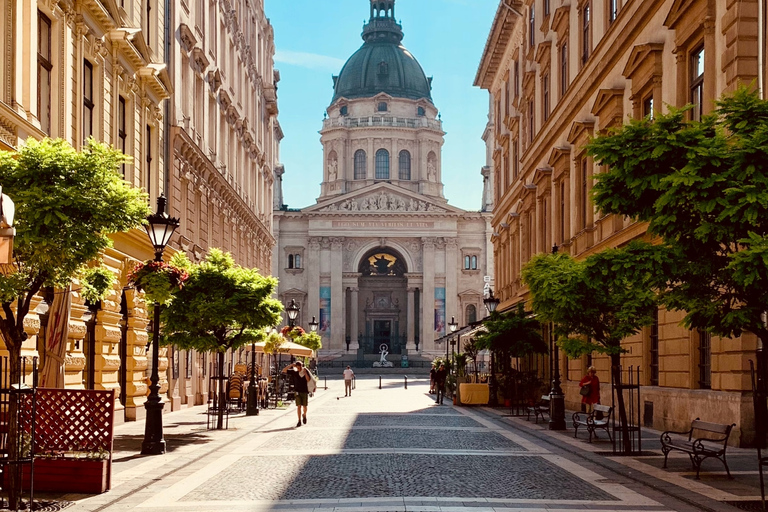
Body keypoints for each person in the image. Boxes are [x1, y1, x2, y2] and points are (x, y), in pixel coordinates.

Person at [283, 361, 311, 427]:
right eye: (298, 368)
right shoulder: (294, 372)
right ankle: (299, 420)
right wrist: (291, 365)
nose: (299, 369)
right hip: (297, 391)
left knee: (305, 406)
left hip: (304, 391)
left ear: (302, 366)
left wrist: (305, 373)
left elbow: (308, 380)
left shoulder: (305, 371)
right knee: (298, 406)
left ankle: (304, 415)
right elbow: (284, 370)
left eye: (300, 368)